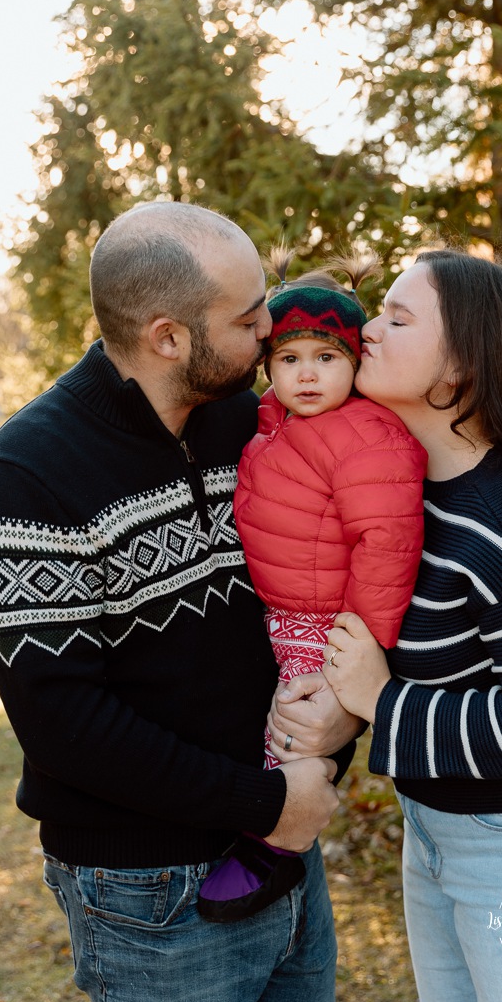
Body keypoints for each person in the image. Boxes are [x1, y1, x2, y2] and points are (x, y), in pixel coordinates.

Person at [0, 202, 362, 1002]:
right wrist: (268, 804)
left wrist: (336, 733)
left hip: (286, 848)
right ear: (169, 337)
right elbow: (63, 723)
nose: (272, 331)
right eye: (250, 317)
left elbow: (329, 584)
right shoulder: (31, 472)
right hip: (149, 893)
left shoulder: (256, 421)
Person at [274, 248, 502, 1002]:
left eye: (397, 318)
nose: (367, 329)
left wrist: (379, 699)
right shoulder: (405, 487)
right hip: (439, 822)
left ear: (461, 369)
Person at [197, 248, 428, 922]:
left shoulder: (364, 434)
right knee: (260, 716)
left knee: (298, 729)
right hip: (279, 606)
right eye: (290, 358)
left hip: (326, 617)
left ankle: (277, 843)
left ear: (354, 363)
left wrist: (356, 653)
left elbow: (387, 545)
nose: (306, 374)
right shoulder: (275, 421)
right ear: (267, 367)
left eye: (326, 359)